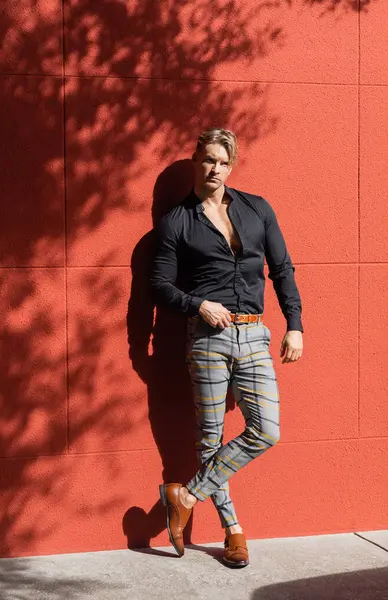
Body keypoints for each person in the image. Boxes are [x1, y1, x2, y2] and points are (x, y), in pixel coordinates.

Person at [150, 128, 304, 568]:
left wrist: (294, 324)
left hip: (254, 334)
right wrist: (197, 304)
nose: (214, 168)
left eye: (222, 161)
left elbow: (283, 268)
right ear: (195, 161)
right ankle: (232, 530)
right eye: (207, 160)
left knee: (267, 431)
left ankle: (185, 495)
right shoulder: (176, 221)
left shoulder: (258, 209)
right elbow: (158, 284)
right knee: (210, 438)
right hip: (207, 341)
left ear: (231, 165)